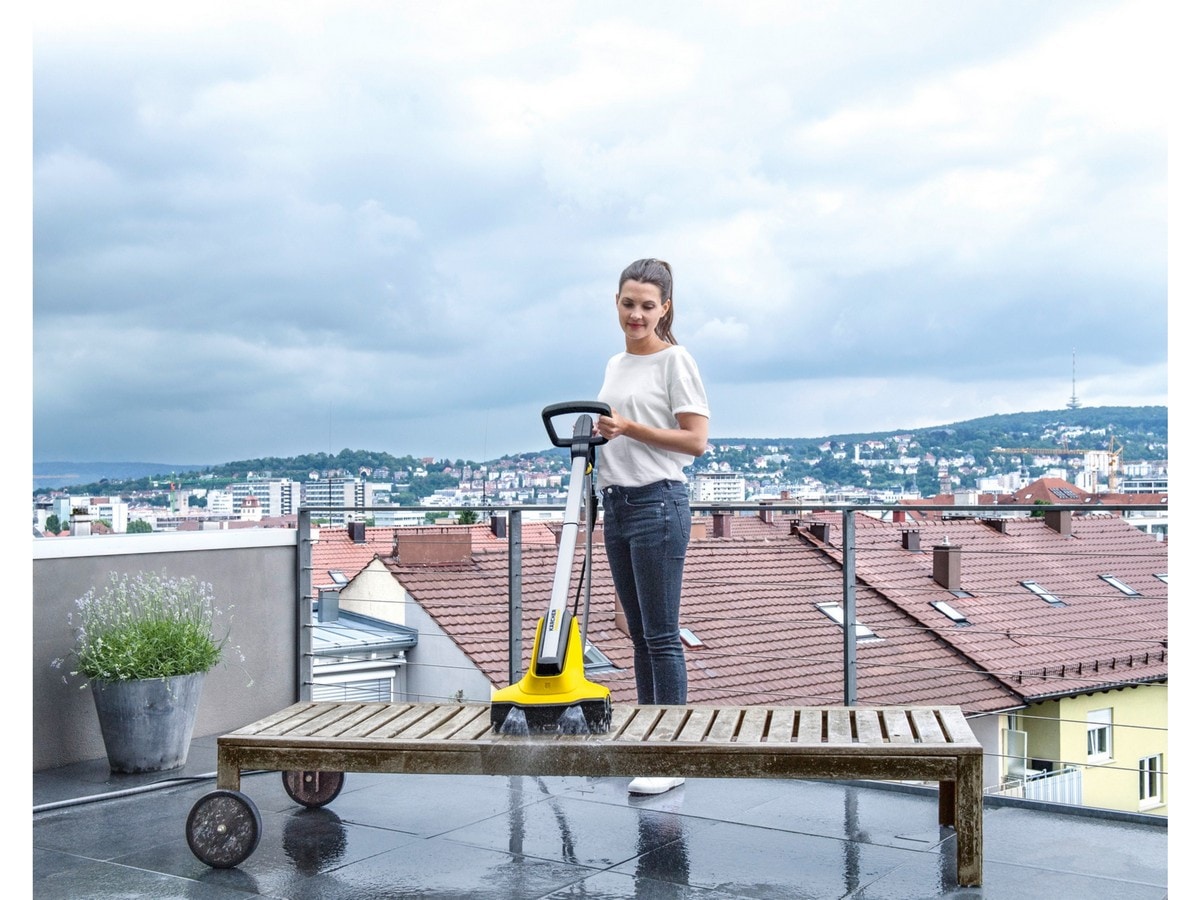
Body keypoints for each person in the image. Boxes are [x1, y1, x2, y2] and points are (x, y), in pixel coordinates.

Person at [594, 258, 710, 796]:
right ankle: (648, 741)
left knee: (662, 636)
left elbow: (694, 441)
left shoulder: (675, 360)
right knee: (637, 635)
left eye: (646, 305)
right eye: (627, 303)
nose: (635, 314)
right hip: (616, 505)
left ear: (665, 307)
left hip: (659, 504)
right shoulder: (615, 363)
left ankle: (674, 750)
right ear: (616, 303)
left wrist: (629, 427)